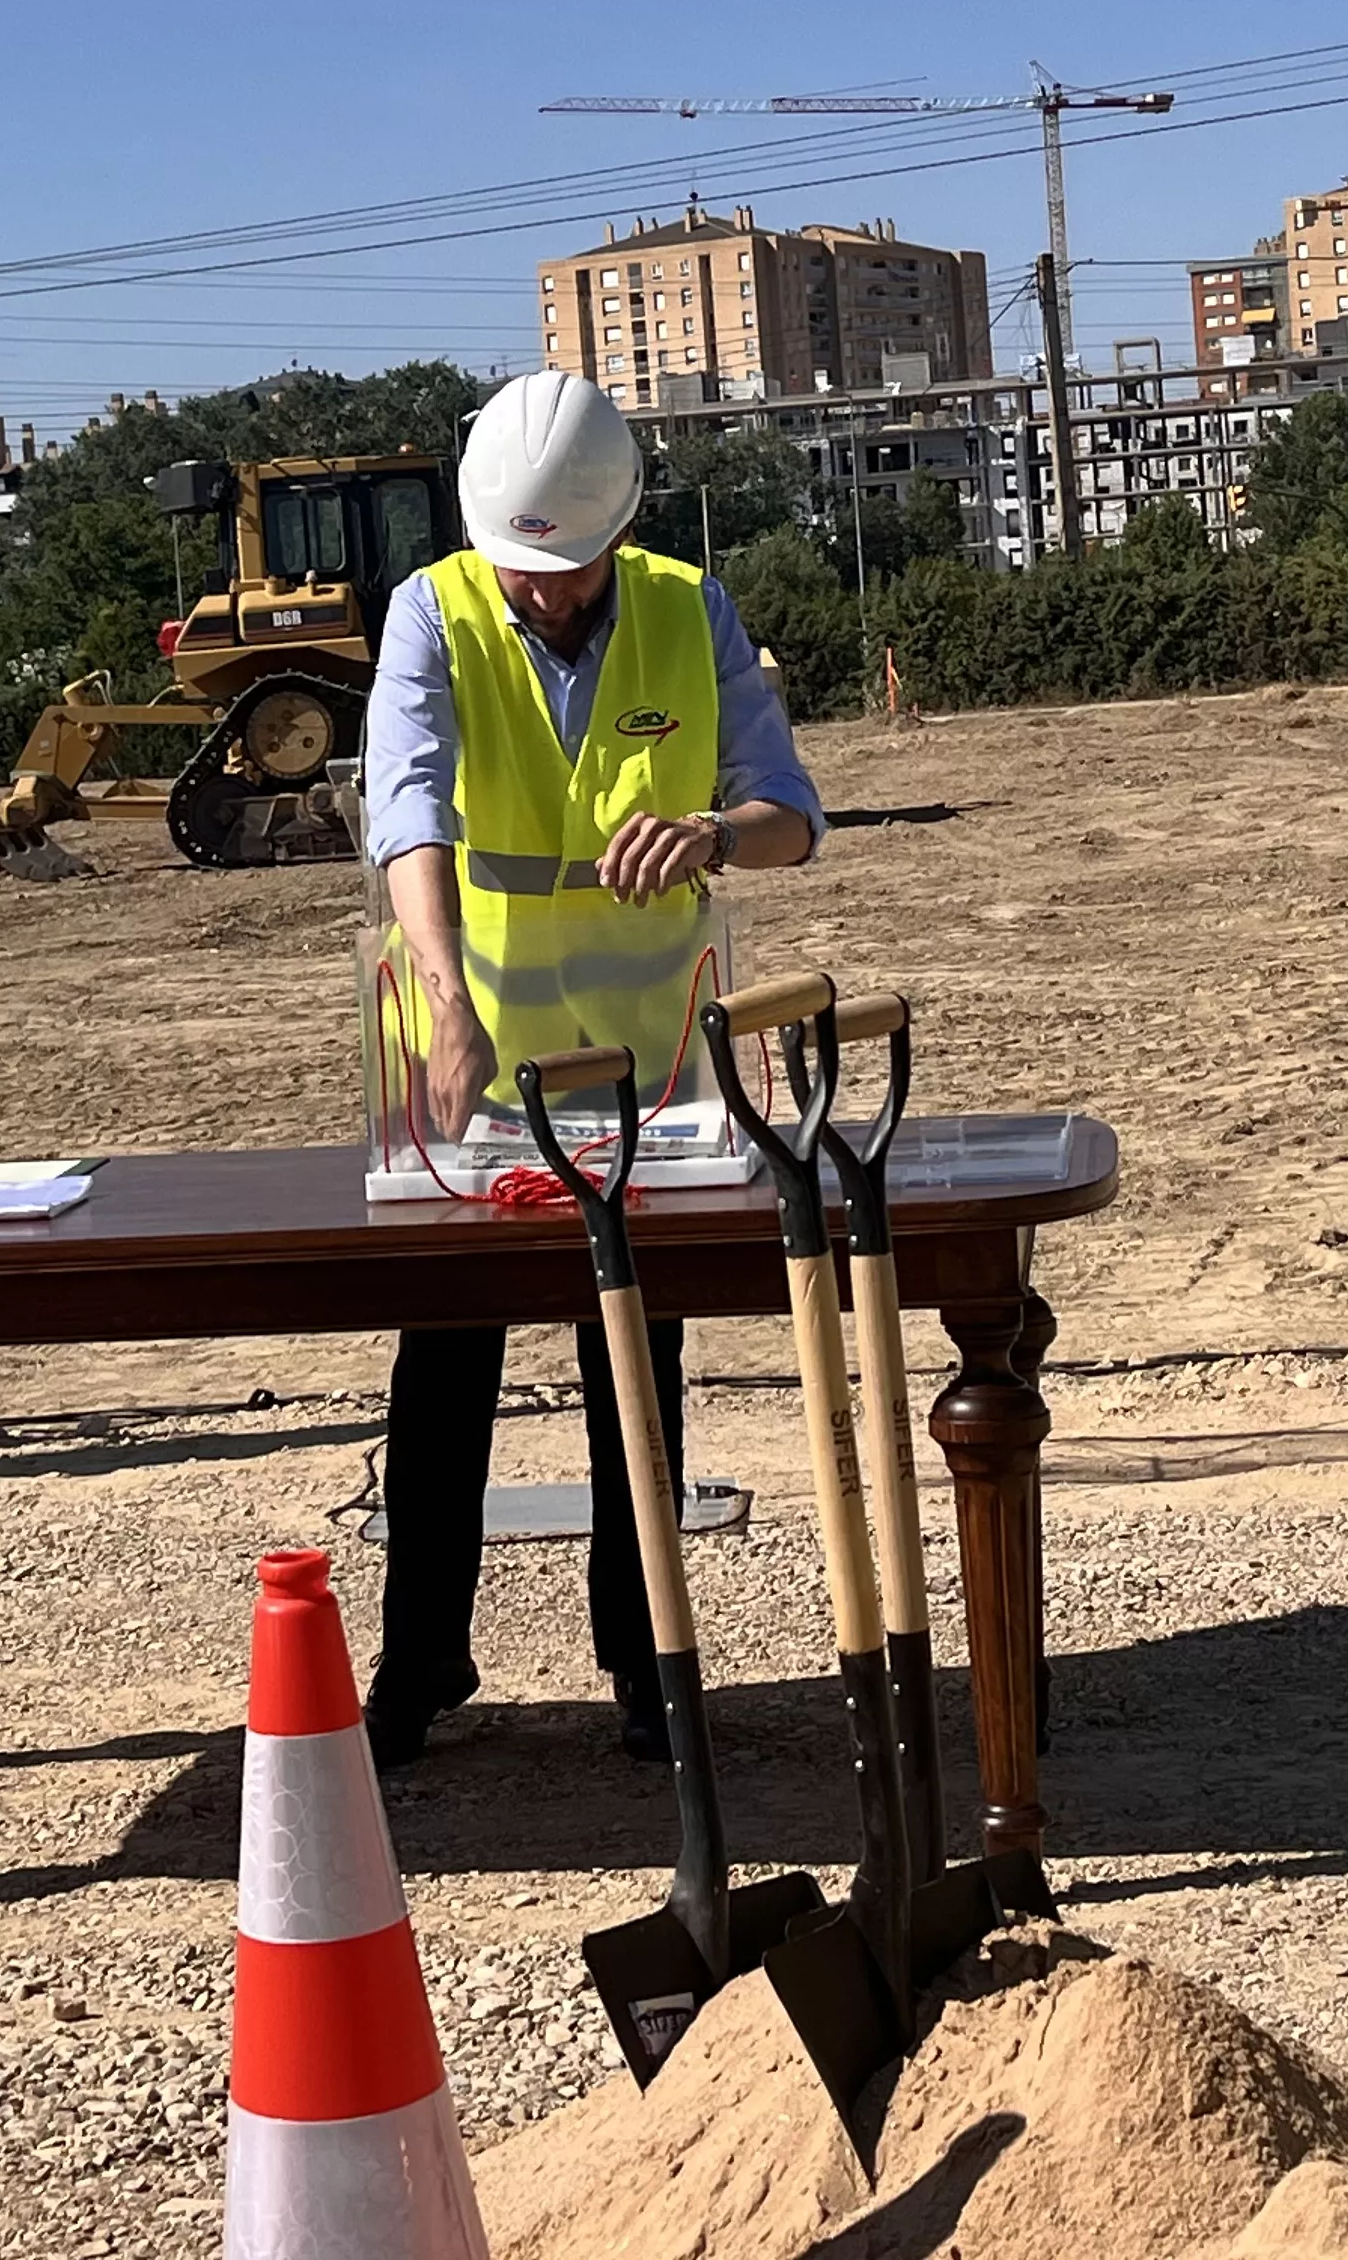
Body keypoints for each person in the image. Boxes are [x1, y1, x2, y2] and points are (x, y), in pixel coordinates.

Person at [357, 369, 825, 1768]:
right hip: (470, 1060)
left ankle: (647, 1659)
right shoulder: (431, 612)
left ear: (621, 528)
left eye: (571, 572)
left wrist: (715, 835)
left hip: (648, 1066)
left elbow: (790, 815)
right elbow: (405, 813)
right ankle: (422, 1660)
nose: (549, 595)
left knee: (639, 1355)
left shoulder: (691, 609)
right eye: (526, 572)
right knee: (446, 1357)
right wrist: (443, 996)